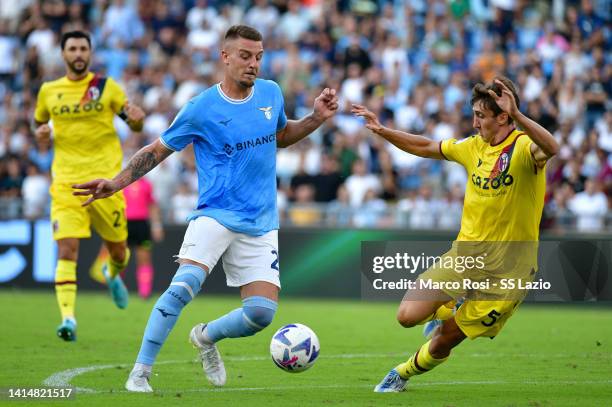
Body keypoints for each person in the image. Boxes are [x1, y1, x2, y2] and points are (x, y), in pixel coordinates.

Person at [73, 25, 338, 392]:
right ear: (225, 57)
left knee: (261, 314)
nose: (254, 64)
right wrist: (115, 183)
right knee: (182, 288)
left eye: (259, 56)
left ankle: (206, 337)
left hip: (260, 222)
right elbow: (156, 151)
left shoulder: (271, 93)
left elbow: (280, 137)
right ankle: (141, 372)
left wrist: (315, 119)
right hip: (215, 214)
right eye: (245, 56)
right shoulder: (200, 108)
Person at [352, 76, 559, 392]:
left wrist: (518, 115)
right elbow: (425, 145)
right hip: (465, 257)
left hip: (508, 273)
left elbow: (552, 147)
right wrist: (383, 131)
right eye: (474, 114)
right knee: (407, 316)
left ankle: (402, 373)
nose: (474, 123)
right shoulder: (472, 147)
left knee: (442, 342)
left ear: (503, 116)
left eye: (481, 116)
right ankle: (448, 307)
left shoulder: (523, 149)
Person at [33, 30, 145, 342]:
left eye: (83, 48)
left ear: (90, 53)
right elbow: (38, 125)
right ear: (63, 54)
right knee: (67, 250)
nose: (78, 53)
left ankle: (111, 272)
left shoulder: (104, 87)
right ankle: (68, 318)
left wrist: (137, 119)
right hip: (66, 184)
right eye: (73, 48)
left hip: (106, 184)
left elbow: (132, 119)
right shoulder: (49, 91)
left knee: (120, 252)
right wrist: (40, 135)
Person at [89, 176, 164, 299]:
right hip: (124, 223)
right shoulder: (120, 183)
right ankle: (117, 290)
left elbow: (152, 205)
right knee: (119, 258)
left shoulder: (147, 183)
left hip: (141, 225)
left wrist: (157, 226)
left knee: (144, 259)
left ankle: (145, 293)